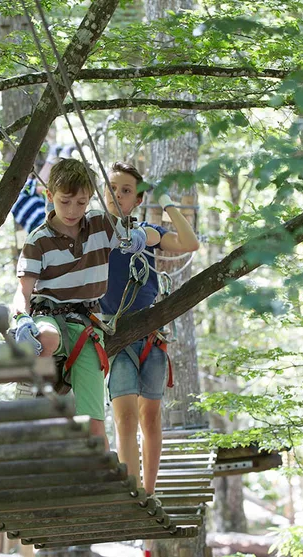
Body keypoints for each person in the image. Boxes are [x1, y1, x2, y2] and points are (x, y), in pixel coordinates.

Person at [12, 158, 161, 450]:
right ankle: (30, 386)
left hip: (86, 325)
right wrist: (21, 319)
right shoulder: (38, 240)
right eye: (65, 201)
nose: (72, 211)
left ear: (90, 199)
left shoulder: (101, 225)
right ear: (49, 196)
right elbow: (23, 291)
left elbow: (153, 235)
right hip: (48, 314)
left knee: (95, 425)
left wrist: (140, 238)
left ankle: (104, 481)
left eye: (81, 203)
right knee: (47, 338)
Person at [100, 161, 199, 496]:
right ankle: (131, 490)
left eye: (126, 190)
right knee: (125, 416)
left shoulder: (146, 233)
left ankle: (149, 492)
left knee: (150, 417)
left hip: (150, 338)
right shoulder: (94, 235)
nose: (118, 195)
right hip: (115, 338)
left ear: (137, 200)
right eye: (112, 188)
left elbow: (190, 243)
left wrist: (166, 202)